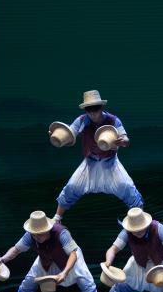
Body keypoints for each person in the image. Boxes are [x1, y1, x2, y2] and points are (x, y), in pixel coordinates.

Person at [53, 90, 142, 222]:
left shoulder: (113, 120)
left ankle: (141, 219)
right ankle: (57, 218)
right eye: (89, 109)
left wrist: (123, 141)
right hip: (89, 162)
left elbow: (126, 139)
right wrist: (58, 136)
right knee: (72, 186)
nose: (92, 112)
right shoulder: (81, 120)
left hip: (110, 162)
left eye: (95, 108)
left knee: (127, 187)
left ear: (101, 107)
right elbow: (70, 135)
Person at [0, 211, 101, 292]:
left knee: (85, 281)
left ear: (47, 229)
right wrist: (3, 259)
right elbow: (16, 249)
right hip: (46, 258)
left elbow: (73, 254)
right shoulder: (30, 235)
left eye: (39, 234)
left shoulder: (61, 233)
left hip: (69, 257)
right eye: (34, 234)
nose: (36, 237)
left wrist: (65, 272)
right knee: (28, 282)